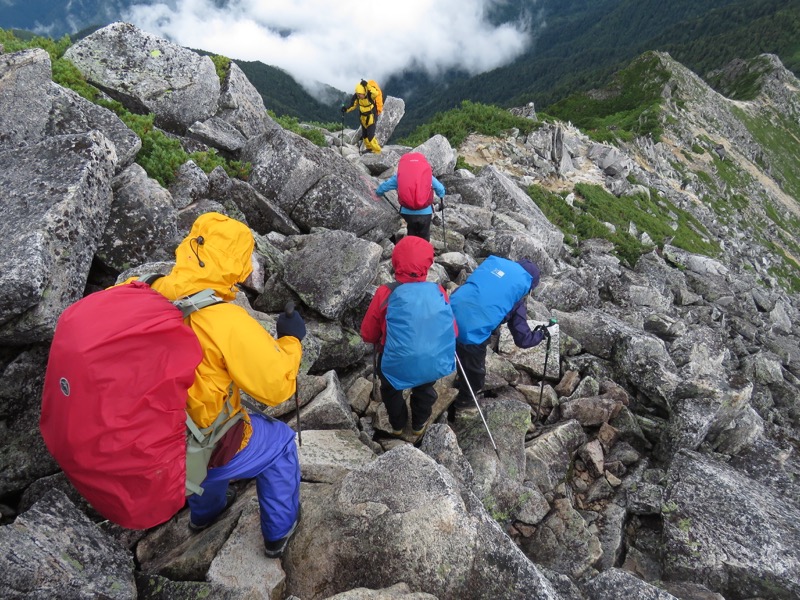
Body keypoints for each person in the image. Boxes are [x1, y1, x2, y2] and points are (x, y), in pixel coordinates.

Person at [145, 212, 305, 559]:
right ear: (236, 264)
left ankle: (204, 515)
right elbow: (277, 387)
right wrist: (292, 341)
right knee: (274, 443)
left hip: (150, 432)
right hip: (194, 439)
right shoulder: (223, 319)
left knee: (202, 430)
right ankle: (279, 533)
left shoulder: (144, 290)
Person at [360, 236, 457, 436]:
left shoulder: (385, 293)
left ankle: (397, 425)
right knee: (424, 389)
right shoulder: (438, 291)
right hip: (431, 358)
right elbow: (452, 330)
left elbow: (368, 333)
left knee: (391, 390)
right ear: (428, 264)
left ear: (395, 262)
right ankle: (418, 425)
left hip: (396, 360)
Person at [449, 257, 544, 410]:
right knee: (475, 376)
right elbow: (523, 339)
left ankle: (458, 381)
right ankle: (464, 404)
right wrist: (541, 335)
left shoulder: (490, 273)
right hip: (471, 334)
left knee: (459, 355)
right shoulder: (517, 298)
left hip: (446, 318)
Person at [375, 154, 446, 242]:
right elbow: (441, 189)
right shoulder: (428, 176)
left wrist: (378, 193)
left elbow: (384, 187)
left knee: (411, 229)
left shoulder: (399, 177)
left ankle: (411, 247)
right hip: (425, 212)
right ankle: (423, 251)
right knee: (424, 233)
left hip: (407, 212)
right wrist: (441, 195)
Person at [342, 79, 382, 154]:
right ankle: (369, 148)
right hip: (363, 118)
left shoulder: (370, 95)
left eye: (361, 94)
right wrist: (346, 109)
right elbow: (353, 105)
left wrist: (367, 85)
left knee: (371, 136)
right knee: (365, 135)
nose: (360, 96)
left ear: (365, 92)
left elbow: (376, 93)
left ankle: (377, 151)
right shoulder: (357, 96)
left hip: (371, 117)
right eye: (358, 94)